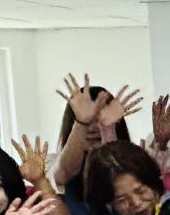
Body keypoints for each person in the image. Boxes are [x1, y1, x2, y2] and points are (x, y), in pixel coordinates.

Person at [50, 73, 141, 203]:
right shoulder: (53, 161)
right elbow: (63, 174)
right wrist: (81, 122)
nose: (93, 128)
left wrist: (108, 128)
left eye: (99, 118)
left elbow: (117, 175)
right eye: (89, 120)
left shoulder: (134, 158)